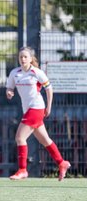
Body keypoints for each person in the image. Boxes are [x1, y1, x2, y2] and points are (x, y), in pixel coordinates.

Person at [6, 46, 70, 181]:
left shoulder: (37, 72)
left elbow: (49, 88)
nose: (22, 59)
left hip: (37, 108)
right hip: (28, 110)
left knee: (20, 138)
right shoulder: (14, 73)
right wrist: (9, 93)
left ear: (30, 59)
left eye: (25, 57)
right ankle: (62, 163)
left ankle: (23, 170)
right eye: (20, 57)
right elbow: (10, 88)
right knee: (45, 140)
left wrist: (49, 106)